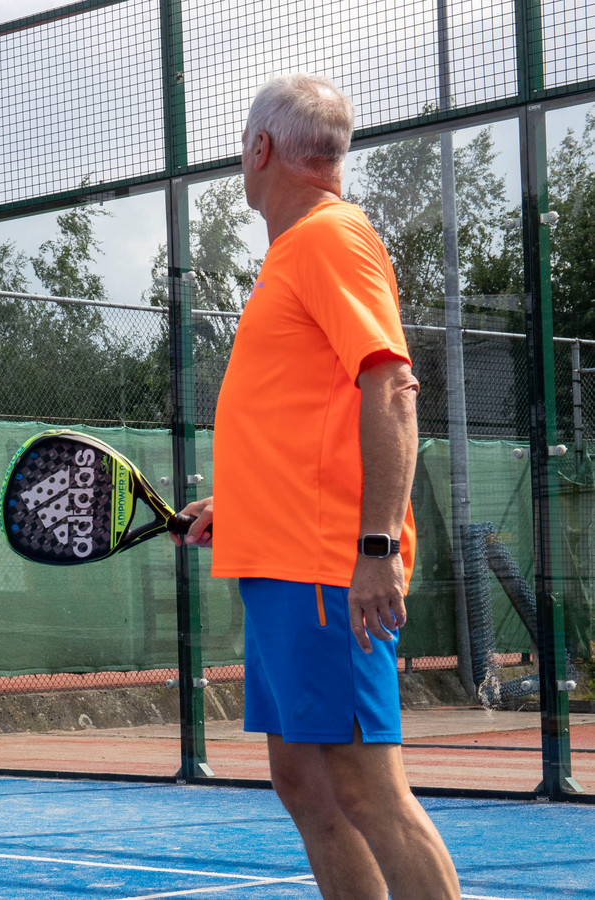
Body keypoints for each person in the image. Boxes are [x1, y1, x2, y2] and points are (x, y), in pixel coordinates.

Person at [172, 74, 460, 898]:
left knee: (370, 789)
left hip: (330, 570)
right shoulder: (293, 253)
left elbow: (392, 386)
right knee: (305, 783)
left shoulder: (332, 237)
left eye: (241, 143)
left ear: (260, 149)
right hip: (281, 560)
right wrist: (242, 510)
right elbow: (312, 414)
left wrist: (375, 547)